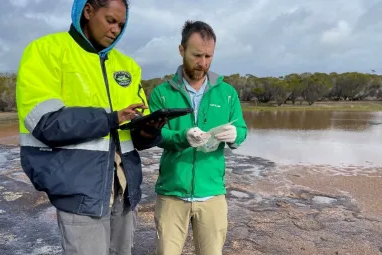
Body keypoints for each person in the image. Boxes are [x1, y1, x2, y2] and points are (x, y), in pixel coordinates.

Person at [15, 0, 166, 254]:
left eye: (121, 24)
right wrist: (110, 118)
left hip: (124, 190)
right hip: (78, 189)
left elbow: (136, 134)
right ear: (88, 11)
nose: (116, 30)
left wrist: (150, 130)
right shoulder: (45, 51)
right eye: (110, 21)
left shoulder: (128, 66)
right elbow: (45, 123)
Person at [148, 20, 248, 255]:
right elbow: (153, 135)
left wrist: (235, 136)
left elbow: (242, 130)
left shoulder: (228, 94)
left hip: (212, 194)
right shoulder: (162, 93)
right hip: (172, 193)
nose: (202, 63)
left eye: (208, 56)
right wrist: (182, 136)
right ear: (181, 50)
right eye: (196, 55)